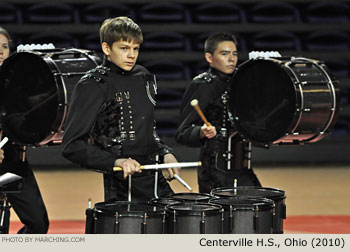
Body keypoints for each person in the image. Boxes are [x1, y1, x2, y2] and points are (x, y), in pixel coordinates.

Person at [62, 17, 180, 202]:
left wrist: (165, 152)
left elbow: (148, 129)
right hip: (120, 187)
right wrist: (116, 162)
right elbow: (72, 146)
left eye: (135, 49)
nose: (131, 55)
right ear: (106, 48)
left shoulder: (143, 76)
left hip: (153, 178)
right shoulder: (92, 85)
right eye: (124, 48)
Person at [176, 32, 261, 193]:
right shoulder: (202, 85)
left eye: (234, 54)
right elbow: (182, 133)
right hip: (214, 173)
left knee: (263, 208)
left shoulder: (242, 83)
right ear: (209, 57)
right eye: (224, 54)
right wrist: (200, 132)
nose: (231, 59)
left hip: (243, 169)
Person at [0, 26, 49, 233]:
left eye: (4, 46)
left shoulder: (17, 85)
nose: (1, 51)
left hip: (13, 163)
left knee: (38, 224)